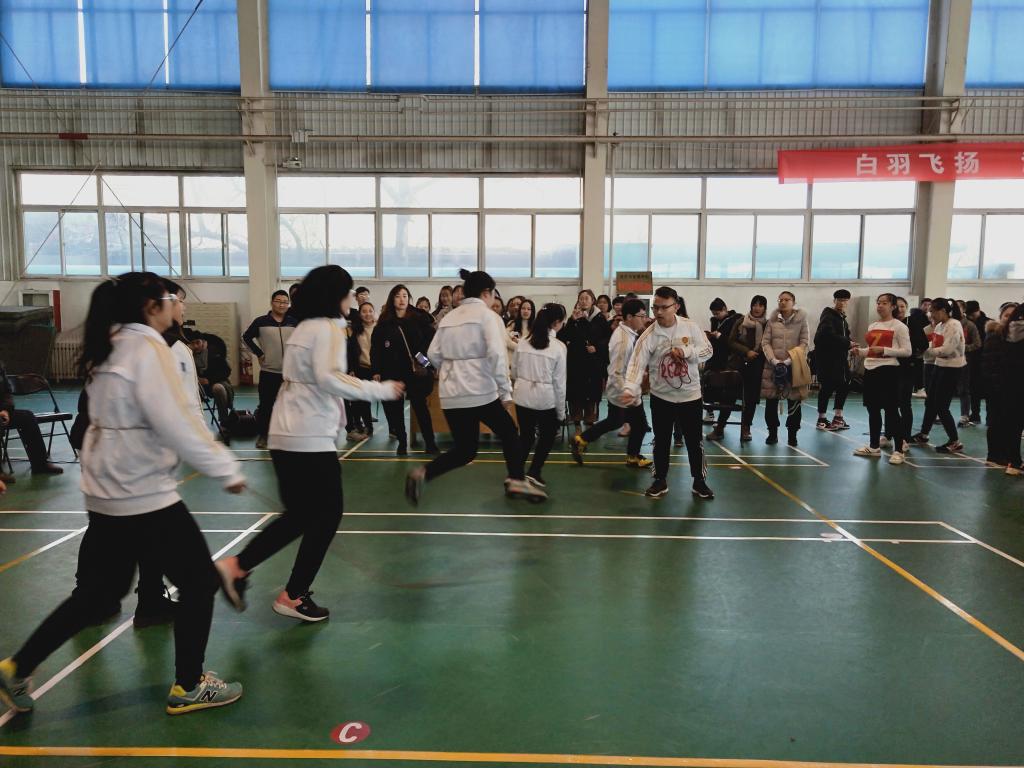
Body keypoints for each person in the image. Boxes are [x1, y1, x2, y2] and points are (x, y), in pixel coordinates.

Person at [0, 272, 247, 718]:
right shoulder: (148, 349)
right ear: (151, 306)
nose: (177, 304)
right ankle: (190, 685)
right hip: (142, 492)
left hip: (106, 491)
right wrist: (224, 467)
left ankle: (16, 667)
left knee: (98, 596)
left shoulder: (110, 343)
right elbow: (173, 422)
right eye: (171, 297)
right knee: (199, 581)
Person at [215, 266, 403, 623]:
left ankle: (239, 567)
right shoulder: (327, 328)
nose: (353, 298)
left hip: (286, 432)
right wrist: (380, 389)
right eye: (348, 291)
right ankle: (292, 593)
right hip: (307, 435)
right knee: (326, 514)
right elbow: (329, 378)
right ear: (335, 295)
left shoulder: (304, 327)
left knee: (302, 515)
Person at [404, 269, 544, 506]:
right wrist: (505, 392)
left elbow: (432, 355)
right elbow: (497, 356)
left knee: (465, 450)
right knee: (509, 432)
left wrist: (452, 369)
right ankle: (516, 479)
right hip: (480, 392)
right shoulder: (488, 317)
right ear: (486, 292)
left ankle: (423, 473)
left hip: (451, 394)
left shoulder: (449, 318)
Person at [622, 287, 714, 500]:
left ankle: (699, 481)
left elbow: (708, 350)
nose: (659, 312)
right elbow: (636, 364)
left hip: (690, 397)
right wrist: (630, 388)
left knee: (694, 441)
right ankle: (659, 480)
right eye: (655, 307)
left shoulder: (691, 327)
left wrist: (687, 352)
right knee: (661, 440)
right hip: (661, 397)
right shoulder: (649, 335)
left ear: (676, 307)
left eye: (664, 307)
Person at [572, 298, 652, 468]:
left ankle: (582, 439)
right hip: (623, 389)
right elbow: (616, 370)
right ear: (629, 317)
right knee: (639, 425)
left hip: (623, 388)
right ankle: (633, 456)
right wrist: (627, 391)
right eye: (641, 316)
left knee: (615, 421)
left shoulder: (627, 333)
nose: (644, 319)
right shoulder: (623, 340)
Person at [371, 285, 438, 456]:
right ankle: (402, 442)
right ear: (392, 299)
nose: (402, 299)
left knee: (420, 407)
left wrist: (425, 362)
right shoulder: (384, 323)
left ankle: (430, 443)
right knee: (395, 409)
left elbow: (431, 338)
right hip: (392, 370)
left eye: (405, 296)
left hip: (414, 370)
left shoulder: (418, 318)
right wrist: (376, 370)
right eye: (398, 296)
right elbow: (376, 349)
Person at [511, 303, 567, 492]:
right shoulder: (558, 348)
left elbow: (514, 371)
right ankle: (534, 471)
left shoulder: (523, 342)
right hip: (545, 399)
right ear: (557, 322)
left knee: (525, 437)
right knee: (547, 436)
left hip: (522, 396)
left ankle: (515, 474)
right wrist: (560, 413)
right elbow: (559, 384)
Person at [853, 294, 911, 464]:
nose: (880, 306)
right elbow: (872, 349)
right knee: (873, 410)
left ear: (893, 306)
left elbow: (907, 351)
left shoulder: (899, 326)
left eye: (884, 303)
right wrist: (860, 352)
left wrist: (885, 350)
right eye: (878, 303)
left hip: (888, 371)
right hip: (871, 370)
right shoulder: (873, 325)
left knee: (892, 411)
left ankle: (899, 450)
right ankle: (874, 447)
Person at [242, 290, 298, 450]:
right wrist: (259, 353)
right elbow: (246, 337)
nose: (282, 305)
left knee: (290, 406)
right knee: (266, 406)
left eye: (285, 302)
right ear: (272, 303)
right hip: (269, 372)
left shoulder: (294, 322)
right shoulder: (261, 321)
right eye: (278, 301)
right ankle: (263, 436)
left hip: (290, 374)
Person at [911, 298, 966, 453]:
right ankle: (923, 434)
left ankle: (955, 441)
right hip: (939, 366)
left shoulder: (954, 325)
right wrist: (921, 349)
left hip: (952, 369)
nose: (931, 315)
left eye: (933, 311)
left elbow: (947, 349)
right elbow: (933, 345)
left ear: (942, 311)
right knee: (930, 402)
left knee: (942, 406)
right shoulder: (940, 326)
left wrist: (925, 351)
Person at [761, 291, 810, 447]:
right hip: (773, 367)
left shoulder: (802, 320)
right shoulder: (772, 321)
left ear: (793, 302)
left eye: (786, 299)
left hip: (794, 366)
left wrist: (790, 360)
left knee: (794, 402)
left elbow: (804, 342)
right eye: (780, 299)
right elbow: (765, 342)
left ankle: (792, 435)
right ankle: (772, 433)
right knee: (771, 403)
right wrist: (774, 360)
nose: (783, 302)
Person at [559, 289, 611, 430]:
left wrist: (597, 347)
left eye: (586, 298)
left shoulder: (600, 318)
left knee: (591, 396)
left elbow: (608, 339)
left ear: (593, 301)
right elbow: (564, 336)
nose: (583, 301)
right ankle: (576, 425)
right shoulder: (575, 317)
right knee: (576, 395)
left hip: (593, 364)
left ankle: (589, 424)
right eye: (581, 298)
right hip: (576, 363)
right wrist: (572, 320)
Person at [0, 362, 63, 476]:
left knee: (27, 417)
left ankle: (40, 464)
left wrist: (5, 410)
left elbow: (7, 392)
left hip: (2, 412)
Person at [983, 303, 1020, 470]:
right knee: (995, 421)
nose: (1010, 319)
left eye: (1013, 316)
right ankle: (994, 455)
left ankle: (1006, 455)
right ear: (1000, 317)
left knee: (1008, 422)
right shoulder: (995, 335)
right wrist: (996, 384)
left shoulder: (1015, 338)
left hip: (1010, 387)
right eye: (1007, 315)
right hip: (996, 386)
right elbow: (990, 363)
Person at [727, 295, 768, 443]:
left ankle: (746, 427)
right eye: (754, 305)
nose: (757, 308)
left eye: (760, 305)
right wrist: (746, 352)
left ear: (764, 308)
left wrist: (758, 353)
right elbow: (731, 341)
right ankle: (720, 426)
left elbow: (769, 343)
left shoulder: (767, 324)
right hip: (738, 363)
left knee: (751, 398)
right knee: (730, 396)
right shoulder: (741, 321)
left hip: (757, 364)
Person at [813, 289, 855, 431]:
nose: (842, 303)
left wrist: (851, 345)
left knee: (844, 384)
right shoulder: (828, 316)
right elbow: (826, 335)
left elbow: (846, 336)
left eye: (845, 300)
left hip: (840, 359)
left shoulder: (842, 319)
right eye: (839, 300)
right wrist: (847, 343)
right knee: (827, 387)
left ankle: (838, 417)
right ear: (834, 301)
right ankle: (821, 419)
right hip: (828, 359)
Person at [704, 298, 742, 441]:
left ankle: (720, 426)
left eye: (718, 313)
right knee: (709, 389)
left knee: (728, 397)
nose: (716, 316)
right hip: (714, 362)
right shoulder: (715, 321)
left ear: (725, 309)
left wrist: (719, 336)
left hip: (729, 364)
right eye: (714, 314)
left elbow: (732, 342)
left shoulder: (735, 320)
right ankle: (711, 414)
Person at [186, 329, 233, 435]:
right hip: (196, 386)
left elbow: (226, 371)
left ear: (203, 342)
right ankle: (192, 424)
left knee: (219, 388)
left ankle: (224, 422)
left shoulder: (214, 352)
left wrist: (209, 380)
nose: (196, 346)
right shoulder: (187, 354)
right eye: (192, 343)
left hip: (214, 382)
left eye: (197, 342)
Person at [346, 301, 377, 440]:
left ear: (374, 313)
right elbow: (351, 352)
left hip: (376, 369)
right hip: (361, 368)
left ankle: (392, 428)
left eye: (370, 311)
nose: (367, 314)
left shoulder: (379, 328)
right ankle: (367, 427)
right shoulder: (355, 330)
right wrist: (352, 369)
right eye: (364, 311)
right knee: (361, 400)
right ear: (359, 314)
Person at [956, 309, 982, 427]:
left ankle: (965, 416)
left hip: (964, 361)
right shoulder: (945, 325)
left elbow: (977, 343)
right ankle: (939, 414)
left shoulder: (970, 325)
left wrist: (962, 348)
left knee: (963, 389)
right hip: (946, 361)